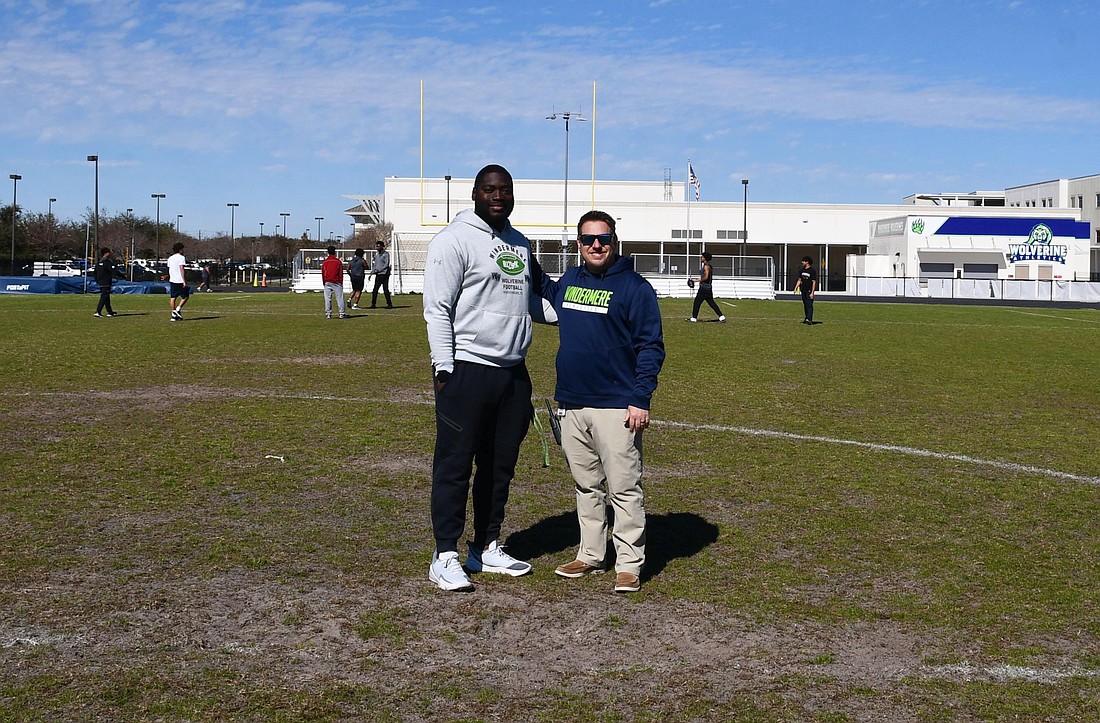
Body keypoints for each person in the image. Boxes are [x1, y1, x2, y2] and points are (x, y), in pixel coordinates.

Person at [532, 210, 665, 594]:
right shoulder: (570, 281)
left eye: (603, 239)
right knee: (586, 485)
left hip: (617, 406)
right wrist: (519, 247)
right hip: (572, 403)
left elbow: (651, 347)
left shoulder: (635, 288)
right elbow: (541, 284)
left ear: (614, 241)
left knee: (624, 488)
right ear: (578, 244)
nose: (596, 246)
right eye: (588, 240)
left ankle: (629, 563)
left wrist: (641, 398)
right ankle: (591, 554)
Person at [423, 164, 538, 592]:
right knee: (455, 465)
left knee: (498, 468)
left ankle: (486, 546)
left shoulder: (521, 244)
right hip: (467, 370)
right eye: (490, 189)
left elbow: (532, 303)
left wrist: (586, 317)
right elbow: (437, 308)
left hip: (512, 375)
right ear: (474, 193)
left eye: (504, 190)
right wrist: (444, 366)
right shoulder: (453, 240)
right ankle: (445, 554)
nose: (497, 196)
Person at [688, 251, 725, 323]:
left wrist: (697, 281)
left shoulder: (706, 266)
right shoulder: (707, 265)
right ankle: (721, 316)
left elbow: (706, 277)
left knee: (697, 302)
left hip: (704, 288)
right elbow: (704, 277)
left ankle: (694, 318)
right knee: (711, 303)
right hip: (707, 288)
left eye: (702, 257)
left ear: (705, 258)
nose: (701, 258)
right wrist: (695, 280)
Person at [320, 246, 347, 319]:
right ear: (334, 252)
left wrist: (324, 282)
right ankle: (341, 313)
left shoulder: (325, 262)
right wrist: (340, 282)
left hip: (327, 281)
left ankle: (328, 313)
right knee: (339, 298)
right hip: (336, 282)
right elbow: (340, 273)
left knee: (327, 299)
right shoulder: (338, 262)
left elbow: (323, 273)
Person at [167, 242, 190, 322]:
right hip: (179, 280)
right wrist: (184, 281)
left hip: (172, 280)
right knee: (186, 296)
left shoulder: (170, 258)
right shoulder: (181, 257)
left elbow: (170, 269)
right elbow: (181, 269)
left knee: (173, 297)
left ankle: (173, 314)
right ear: (180, 249)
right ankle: (177, 309)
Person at [92, 247, 118, 317]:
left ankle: (110, 312)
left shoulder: (99, 263)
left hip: (101, 282)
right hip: (106, 282)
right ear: (106, 253)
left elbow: (94, 273)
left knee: (106, 296)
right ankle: (98, 311)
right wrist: (123, 276)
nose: (110, 254)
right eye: (109, 253)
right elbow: (114, 271)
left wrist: (98, 280)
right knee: (104, 296)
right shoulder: (107, 263)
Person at [794, 255, 817, 324]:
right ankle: (806, 318)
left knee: (809, 304)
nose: (802, 262)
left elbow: (814, 282)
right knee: (805, 304)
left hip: (809, 290)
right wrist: (796, 287)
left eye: (804, 261)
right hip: (803, 289)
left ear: (807, 262)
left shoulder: (812, 271)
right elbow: (799, 279)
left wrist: (812, 292)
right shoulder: (802, 270)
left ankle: (809, 319)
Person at [370, 240, 393, 308]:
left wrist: (379, 270)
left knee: (385, 289)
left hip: (384, 274)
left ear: (382, 246)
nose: (377, 247)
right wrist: (372, 272)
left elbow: (386, 264)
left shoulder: (386, 254)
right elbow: (375, 265)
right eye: (376, 246)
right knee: (375, 289)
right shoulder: (377, 255)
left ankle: (389, 304)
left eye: (378, 246)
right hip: (378, 274)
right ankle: (373, 304)